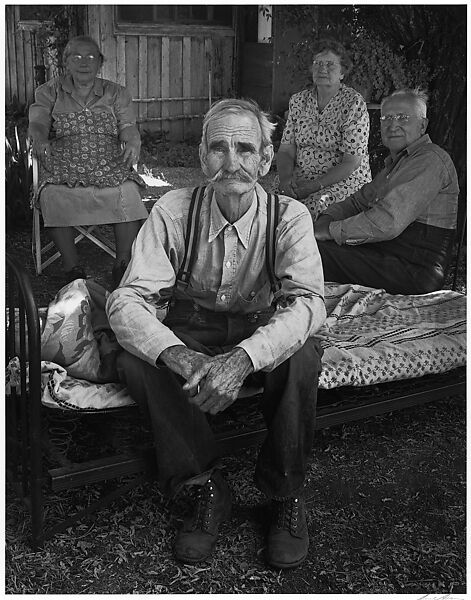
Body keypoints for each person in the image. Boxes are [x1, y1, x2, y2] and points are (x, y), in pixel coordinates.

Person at [106, 99, 326, 569]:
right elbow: (127, 300)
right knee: (135, 360)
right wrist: (179, 355)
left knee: (302, 352)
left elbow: (308, 302)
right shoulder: (174, 210)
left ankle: (285, 493)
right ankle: (205, 485)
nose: (232, 162)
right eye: (219, 148)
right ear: (202, 157)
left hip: (257, 325)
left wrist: (244, 358)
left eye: (245, 149)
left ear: (265, 160)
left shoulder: (289, 216)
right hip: (193, 327)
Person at [28, 35, 148, 287]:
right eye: (77, 57)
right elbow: (38, 123)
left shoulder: (116, 92)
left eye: (91, 57)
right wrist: (39, 139)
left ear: (100, 62)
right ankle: (73, 269)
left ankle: (122, 263)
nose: (84, 62)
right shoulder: (49, 91)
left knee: (127, 189)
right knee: (50, 194)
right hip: (65, 162)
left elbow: (127, 126)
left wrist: (133, 140)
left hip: (109, 161)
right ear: (66, 62)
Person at [314, 88, 459, 295]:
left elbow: (387, 221)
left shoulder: (431, 159)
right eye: (386, 118)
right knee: (301, 245)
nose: (393, 125)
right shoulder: (396, 164)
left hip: (414, 271)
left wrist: (328, 231)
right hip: (386, 254)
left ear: (422, 125)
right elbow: (357, 202)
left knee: (306, 251)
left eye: (403, 117)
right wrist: (326, 219)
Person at [276, 37, 371, 220]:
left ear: (342, 72)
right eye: (317, 63)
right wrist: (286, 180)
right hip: (300, 178)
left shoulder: (353, 103)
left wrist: (314, 186)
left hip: (342, 181)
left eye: (330, 64)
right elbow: (286, 149)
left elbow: (351, 162)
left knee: (306, 212)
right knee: (270, 206)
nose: (322, 69)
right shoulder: (298, 101)